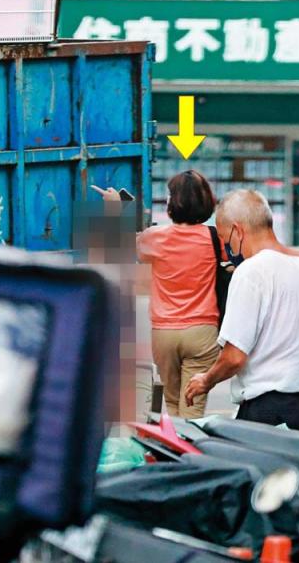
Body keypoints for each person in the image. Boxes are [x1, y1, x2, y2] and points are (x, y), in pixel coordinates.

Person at [185, 190, 299, 438]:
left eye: (225, 239)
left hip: (268, 409)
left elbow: (234, 357)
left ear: (237, 231)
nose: (227, 247)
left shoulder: (251, 272)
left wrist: (206, 380)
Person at [94, 171, 222, 419]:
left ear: (171, 202)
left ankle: (172, 451)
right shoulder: (214, 238)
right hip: (203, 330)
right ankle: (189, 453)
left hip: (164, 332)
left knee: (171, 403)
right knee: (193, 406)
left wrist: (114, 210)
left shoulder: (154, 238)